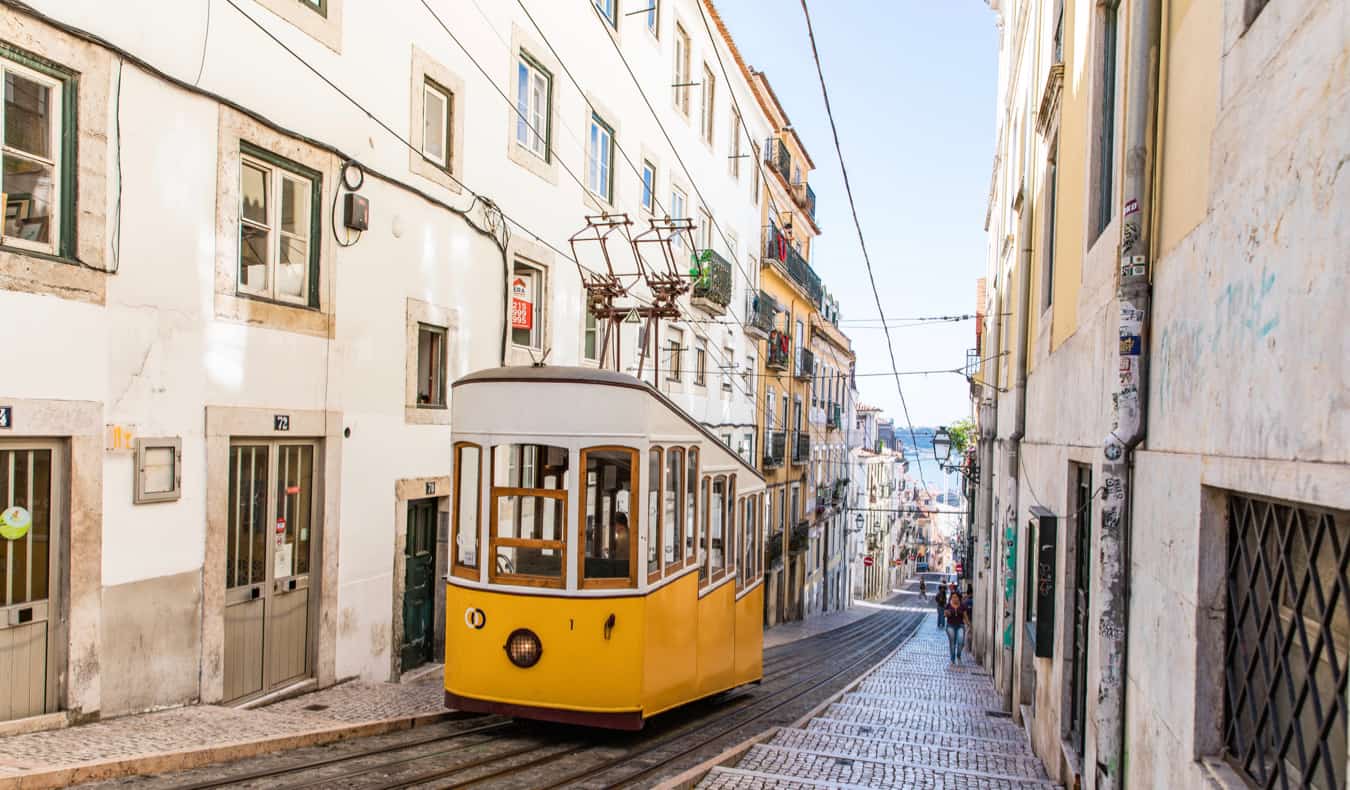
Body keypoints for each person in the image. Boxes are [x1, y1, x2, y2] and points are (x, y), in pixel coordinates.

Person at [945, 590, 969, 665]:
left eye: (956, 597)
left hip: (960, 626)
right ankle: (952, 659)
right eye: (953, 597)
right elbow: (945, 615)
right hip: (950, 626)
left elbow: (965, 617)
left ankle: (958, 655)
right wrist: (947, 613)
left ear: (959, 598)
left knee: (961, 641)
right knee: (952, 643)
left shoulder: (962, 606)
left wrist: (968, 625)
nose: (954, 599)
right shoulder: (948, 605)